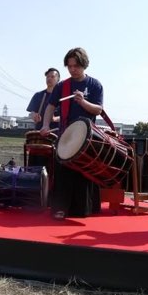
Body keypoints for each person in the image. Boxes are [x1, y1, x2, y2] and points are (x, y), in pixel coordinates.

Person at [40, 47, 103, 220]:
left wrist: (83, 102)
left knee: (83, 173)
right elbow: (50, 107)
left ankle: (82, 209)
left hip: (87, 137)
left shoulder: (95, 85)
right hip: (66, 135)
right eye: (69, 66)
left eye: (76, 66)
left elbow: (98, 109)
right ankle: (60, 208)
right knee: (63, 173)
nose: (72, 69)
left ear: (84, 65)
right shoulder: (62, 86)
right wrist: (45, 124)